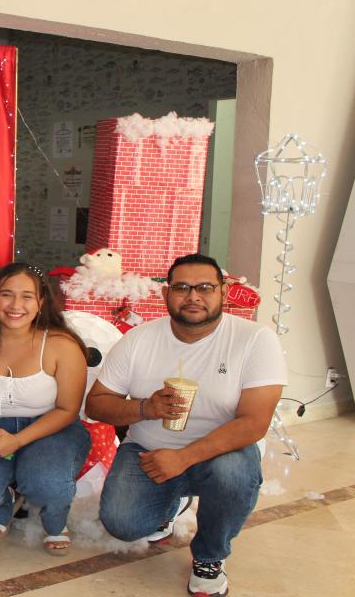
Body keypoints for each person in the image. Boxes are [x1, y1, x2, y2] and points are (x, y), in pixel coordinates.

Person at [86, 253, 287, 597]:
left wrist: (182, 458)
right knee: (123, 525)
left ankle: (210, 557)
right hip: (148, 450)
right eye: (181, 287)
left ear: (223, 293)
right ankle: (171, 505)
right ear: (166, 295)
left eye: (205, 287)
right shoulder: (138, 339)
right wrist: (145, 408)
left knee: (232, 473)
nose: (193, 296)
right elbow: (96, 404)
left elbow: (254, 423)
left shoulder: (255, 340)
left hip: (223, 452)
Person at [0, 262, 90, 554]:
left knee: (46, 484)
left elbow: (68, 409)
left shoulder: (63, 345)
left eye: (27, 296)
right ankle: (2, 506)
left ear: (41, 302)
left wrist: (18, 441)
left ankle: (55, 522)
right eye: (6, 294)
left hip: (52, 427)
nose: (15, 305)